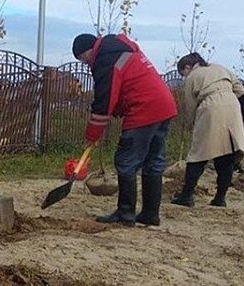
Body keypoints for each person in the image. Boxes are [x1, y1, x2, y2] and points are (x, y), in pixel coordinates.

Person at [72, 33, 178, 226]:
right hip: (164, 106)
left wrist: (92, 133)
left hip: (144, 109)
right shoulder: (121, 50)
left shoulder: (105, 59)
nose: (86, 64)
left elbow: (104, 100)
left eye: (83, 59)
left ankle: (125, 214)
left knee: (126, 160)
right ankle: (150, 214)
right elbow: (123, 89)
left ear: (88, 51)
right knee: (153, 161)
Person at [171, 53, 244, 208]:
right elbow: (240, 90)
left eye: (182, 73)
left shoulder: (193, 77)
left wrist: (193, 123)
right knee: (226, 154)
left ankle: (186, 195)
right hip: (232, 106)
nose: (184, 76)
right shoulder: (221, 68)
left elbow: (191, 106)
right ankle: (220, 197)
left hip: (210, 107)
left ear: (187, 67)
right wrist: (226, 97)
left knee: (198, 155)